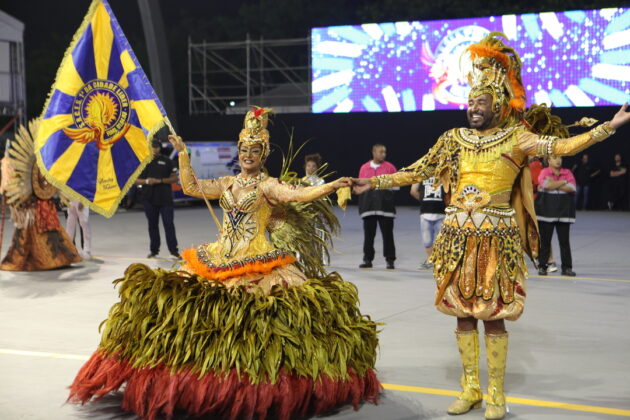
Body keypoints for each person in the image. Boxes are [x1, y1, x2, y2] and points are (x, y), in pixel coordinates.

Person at [353, 33, 630, 419]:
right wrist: (375, 181)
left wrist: (609, 127)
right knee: (463, 313)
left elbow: (561, 148)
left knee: (494, 316)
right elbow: (419, 169)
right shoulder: (454, 138)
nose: (473, 108)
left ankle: (496, 394)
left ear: (498, 103)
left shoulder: (518, 138)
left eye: (480, 102)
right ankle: (470, 388)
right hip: (457, 238)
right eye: (470, 102)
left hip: (496, 238)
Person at [69, 107, 380, 420]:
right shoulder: (228, 183)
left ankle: (248, 388)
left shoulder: (267, 186)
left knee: (253, 323)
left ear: (263, 153)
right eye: (243, 150)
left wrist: (332, 185)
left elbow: (299, 195)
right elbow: (191, 188)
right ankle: (192, 381)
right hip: (218, 256)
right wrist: (183, 155)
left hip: (256, 260)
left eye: (254, 151)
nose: (247, 155)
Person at [0, 120, 82, 271]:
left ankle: (57, 259)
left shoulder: (45, 162)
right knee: (31, 235)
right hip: (33, 206)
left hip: (44, 204)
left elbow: (48, 182)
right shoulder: (15, 165)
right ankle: (44, 260)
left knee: (53, 233)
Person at [134, 139, 179, 258]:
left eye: (156, 147)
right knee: (152, 225)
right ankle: (154, 250)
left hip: (166, 199)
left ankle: (174, 251)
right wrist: (146, 181)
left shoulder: (167, 161)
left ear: (159, 148)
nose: (155, 149)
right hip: (149, 199)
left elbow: (174, 178)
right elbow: (134, 180)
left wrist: (159, 181)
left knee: (169, 224)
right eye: (152, 147)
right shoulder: (143, 162)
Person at [358, 144, 397, 269]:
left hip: (386, 208)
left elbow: (397, 185)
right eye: (381, 152)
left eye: (384, 152)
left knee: (388, 235)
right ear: (374, 152)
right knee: (368, 235)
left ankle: (390, 260)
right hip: (368, 208)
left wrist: (378, 184)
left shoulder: (390, 167)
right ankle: (367, 259)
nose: (383, 154)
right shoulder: (364, 168)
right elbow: (360, 187)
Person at [536, 156, 577, 276]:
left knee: (564, 242)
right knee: (545, 241)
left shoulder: (567, 172)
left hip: (564, 212)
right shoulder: (544, 172)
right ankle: (542, 266)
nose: (558, 160)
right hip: (546, 212)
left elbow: (572, 188)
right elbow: (545, 185)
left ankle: (567, 268)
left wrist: (554, 183)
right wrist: (564, 182)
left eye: (559, 158)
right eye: (554, 158)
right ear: (548, 161)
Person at [410, 177, 445, 269]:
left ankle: (440, 261)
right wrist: (423, 200)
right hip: (426, 212)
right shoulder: (422, 174)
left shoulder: (444, 174)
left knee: (442, 240)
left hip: (441, 213)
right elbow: (413, 191)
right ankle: (431, 260)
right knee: (427, 240)